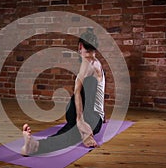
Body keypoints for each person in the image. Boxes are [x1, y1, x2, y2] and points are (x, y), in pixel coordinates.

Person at [21, 28, 105, 156]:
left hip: (87, 117)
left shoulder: (91, 64)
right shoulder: (94, 63)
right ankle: (36, 146)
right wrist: (81, 121)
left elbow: (79, 92)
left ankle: (37, 146)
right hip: (84, 116)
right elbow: (81, 93)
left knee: (72, 130)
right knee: (84, 88)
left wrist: (81, 122)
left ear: (80, 46)